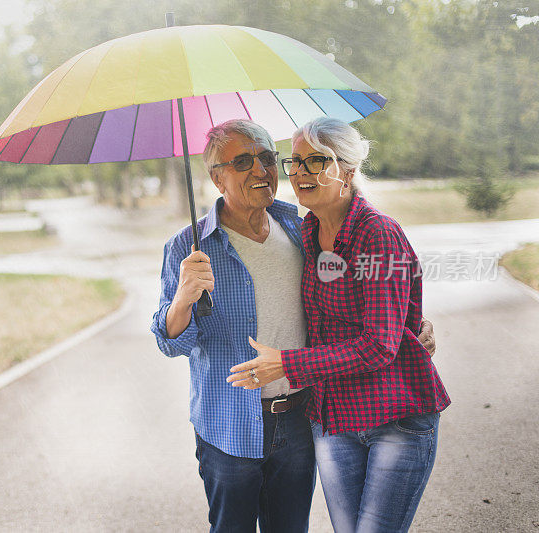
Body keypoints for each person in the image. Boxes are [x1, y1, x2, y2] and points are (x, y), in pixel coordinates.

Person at [151, 119, 436, 533]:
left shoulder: (299, 227)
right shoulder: (188, 247)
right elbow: (169, 343)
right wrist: (182, 299)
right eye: (243, 161)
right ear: (217, 178)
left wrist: (413, 326)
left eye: (267, 157)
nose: (261, 170)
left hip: (302, 418)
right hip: (228, 424)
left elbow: (366, 301)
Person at [227, 117, 450, 533]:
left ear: (347, 171)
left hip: (394, 417)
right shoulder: (305, 230)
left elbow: (379, 346)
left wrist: (288, 365)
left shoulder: (378, 234)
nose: (298, 173)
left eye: (315, 162)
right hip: (333, 420)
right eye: (294, 162)